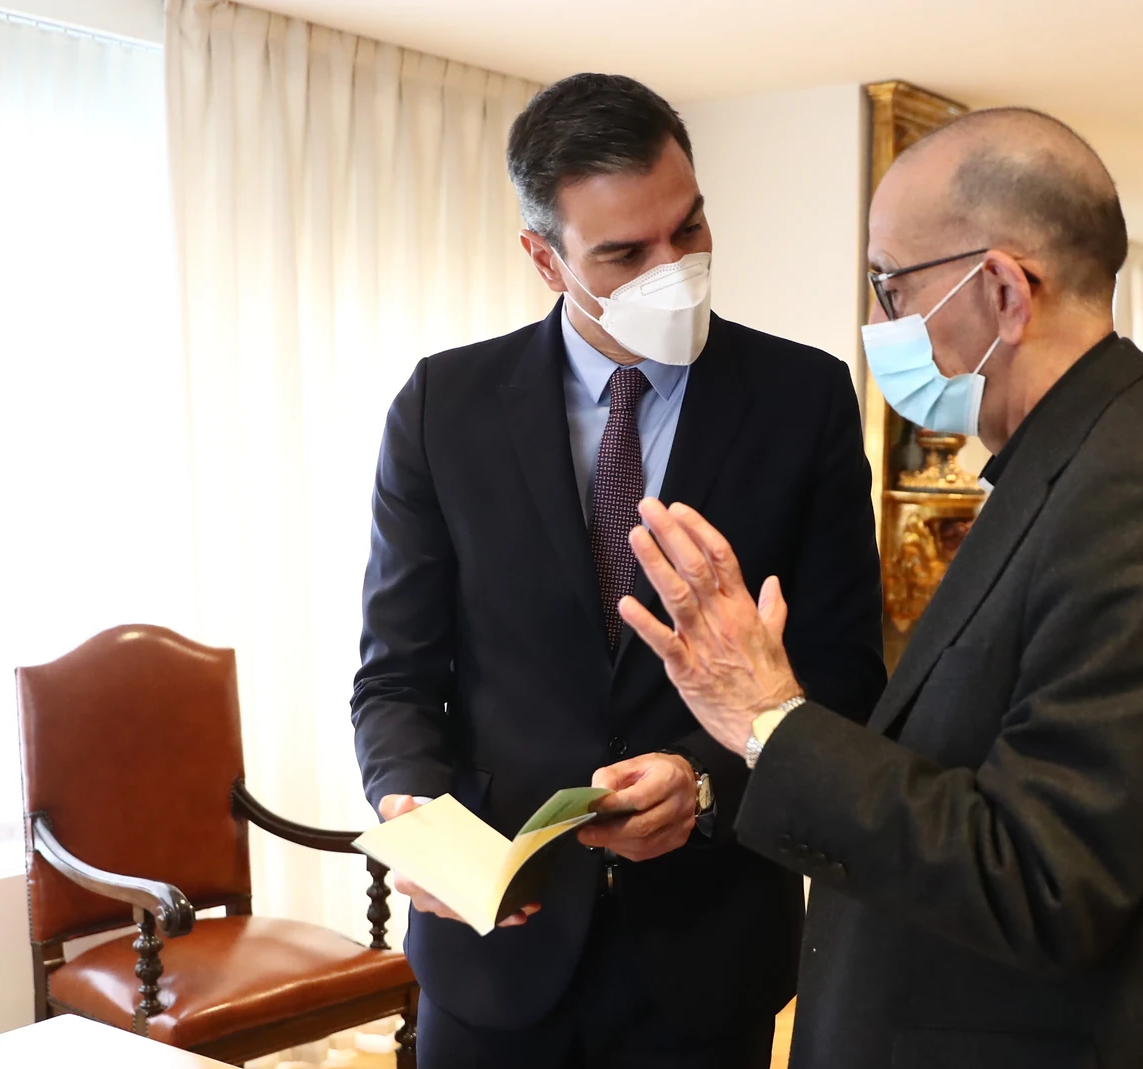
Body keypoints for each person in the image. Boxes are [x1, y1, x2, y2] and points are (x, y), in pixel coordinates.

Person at [618, 107, 1143, 1069]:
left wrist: (769, 717)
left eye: (889, 285)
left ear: (1002, 289)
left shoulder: (1142, 494)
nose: (877, 325)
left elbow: (1042, 877)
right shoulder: (1074, 459)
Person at [349, 73, 885, 1068]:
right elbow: (396, 674)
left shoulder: (802, 399)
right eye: (625, 253)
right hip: (493, 943)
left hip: (707, 943)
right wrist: (407, 804)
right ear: (544, 259)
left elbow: (845, 671)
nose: (672, 266)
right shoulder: (442, 407)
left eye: (687, 229)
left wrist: (709, 780)